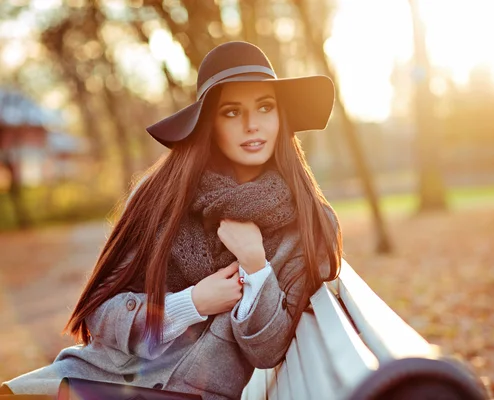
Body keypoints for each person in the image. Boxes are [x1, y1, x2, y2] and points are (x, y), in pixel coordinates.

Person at [1, 41, 342, 399]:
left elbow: (267, 350)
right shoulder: (159, 196)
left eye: (265, 107)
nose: (251, 124)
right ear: (209, 123)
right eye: (230, 112)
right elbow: (99, 316)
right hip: (88, 385)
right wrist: (192, 303)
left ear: (280, 116)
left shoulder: (307, 224)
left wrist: (256, 265)